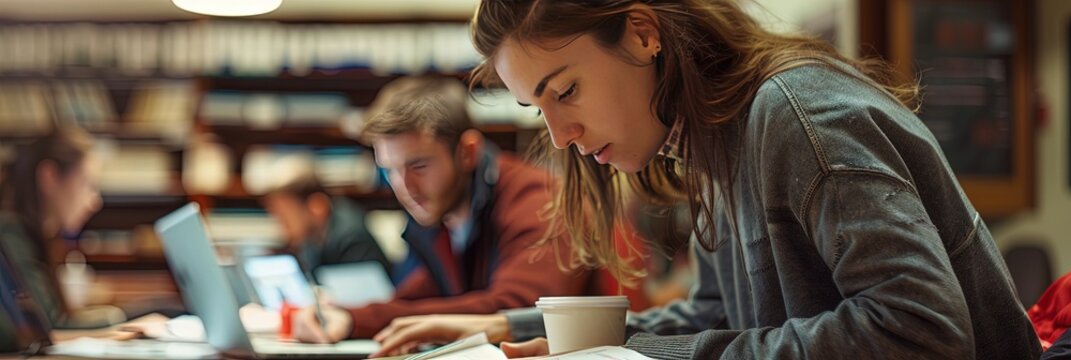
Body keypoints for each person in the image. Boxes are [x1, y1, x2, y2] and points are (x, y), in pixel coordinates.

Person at [374, 1, 1043, 358]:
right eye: (537, 108)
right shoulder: (710, 141)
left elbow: (917, 334)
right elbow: (714, 317)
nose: (560, 137)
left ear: (641, 33)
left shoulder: (794, 112)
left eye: (566, 91)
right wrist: (504, 329)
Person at [289, 76, 592, 345]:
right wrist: (339, 314)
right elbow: (424, 296)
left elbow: (517, 309)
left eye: (418, 166)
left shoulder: (537, 199)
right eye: (390, 171)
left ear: (467, 152)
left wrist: (359, 319)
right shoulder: (442, 209)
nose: (405, 187)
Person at [0, 126, 126, 330]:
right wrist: (119, 321)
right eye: (88, 184)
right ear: (49, 176)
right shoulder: (11, 235)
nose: (96, 201)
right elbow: (49, 329)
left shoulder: (34, 236)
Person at [262, 166, 392, 279]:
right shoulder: (311, 239)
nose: (281, 228)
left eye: (285, 218)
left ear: (317, 207)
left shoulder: (352, 239)